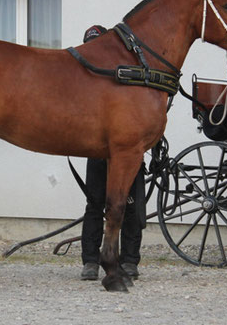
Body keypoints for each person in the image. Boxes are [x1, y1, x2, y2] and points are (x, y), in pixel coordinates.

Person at [79, 25, 146, 281]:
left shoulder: (127, 77)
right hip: (98, 151)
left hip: (128, 150)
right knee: (95, 204)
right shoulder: (84, 82)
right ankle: (90, 261)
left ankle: (130, 259)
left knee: (130, 204)